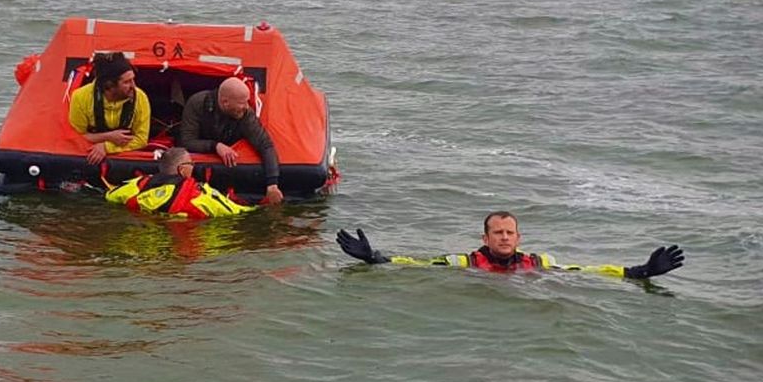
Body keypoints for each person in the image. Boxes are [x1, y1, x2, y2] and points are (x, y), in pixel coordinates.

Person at [336, 211, 685, 279]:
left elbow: (586, 271)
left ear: (519, 238)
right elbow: (419, 265)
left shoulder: (537, 264)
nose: (504, 237)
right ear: (484, 238)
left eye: (509, 232)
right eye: (497, 233)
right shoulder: (464, 263)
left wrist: (638, 273)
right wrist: (377, 259)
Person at [179, 77, 284, 205]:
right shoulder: (198, 103)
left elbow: (265, 145)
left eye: (247, 102)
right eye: (242, 103)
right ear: (225, 103)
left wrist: (272, 184)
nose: (246, 107)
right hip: (203, 154)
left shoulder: (246, 114)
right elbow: (187, 141)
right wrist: (215, 146)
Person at [104, 147, 256, 218]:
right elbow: (235, 212)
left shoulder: (137, 185)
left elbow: (110, 196)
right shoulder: (200, 195)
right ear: (182, 170)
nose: (193, 167)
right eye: (191, 164)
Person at [68, 52, 150, 165]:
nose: (133, 86)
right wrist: (109, 137)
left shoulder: (140, 98)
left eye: (133, 79)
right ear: (109, 85)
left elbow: (141, 139)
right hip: (90, 155)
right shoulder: (80, 97)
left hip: (125, 157)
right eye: (126, 82)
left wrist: (107, 147)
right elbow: (77, 136)